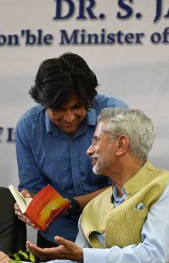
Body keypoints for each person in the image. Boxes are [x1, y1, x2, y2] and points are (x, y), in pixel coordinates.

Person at [0, 108, 169, 263]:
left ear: (121, 144)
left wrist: (85, 255)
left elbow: (152, 258)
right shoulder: (95, 205)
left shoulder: (168, 187)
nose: (89, 150)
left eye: (95, 140)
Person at [14, 52, 128, 248]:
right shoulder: (28, 127)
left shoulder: (117, 116)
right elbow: (33, 187)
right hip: (57, 238)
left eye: (76, 107)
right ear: (44, 103)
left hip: (111, 233)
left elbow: (125, 186)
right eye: (58, 109)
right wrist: (29, 203)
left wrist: (72, 204)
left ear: (89, 98)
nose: (68, 118)